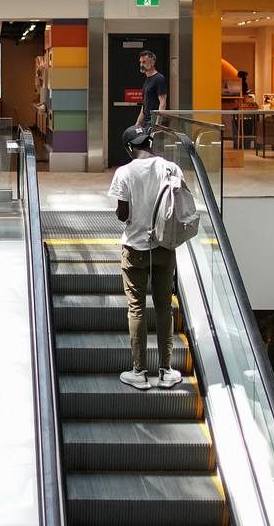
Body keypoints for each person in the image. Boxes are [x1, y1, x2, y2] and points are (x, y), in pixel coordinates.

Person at [109, 126, 183, 391]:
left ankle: (139, 372)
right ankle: (166, 371)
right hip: (165, 247)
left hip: (135, 248)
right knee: (164, 307)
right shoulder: (171, 168)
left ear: (130, 147)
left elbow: (121, 213)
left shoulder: (124, 172)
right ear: (150, 142)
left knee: (137, 308)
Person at [133, 49, 168, 129]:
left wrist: (157, 123)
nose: (141, 64)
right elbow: (144, 103)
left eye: (144, 62)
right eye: (140, 62)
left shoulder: (159, 79)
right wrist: (138, 123)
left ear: (152, 62)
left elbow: (163, 103)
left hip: (153, 121)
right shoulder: (147, 80)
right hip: (145, 121)